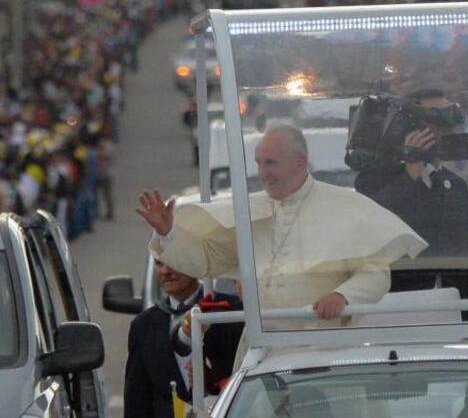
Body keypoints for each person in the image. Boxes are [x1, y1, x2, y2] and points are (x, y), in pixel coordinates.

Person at [137, 125, 427, 325]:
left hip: (326, 344)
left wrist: (342, 296)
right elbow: (207, 260)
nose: (262, 173)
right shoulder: (252, 210)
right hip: (266, 347)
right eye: (259, 163)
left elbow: (375, 273)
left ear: (299, 162)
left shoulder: (346, 207)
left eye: (270, 163)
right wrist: (168, 233)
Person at [353, 89, 468, 321]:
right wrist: (410, 172)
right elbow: (376, 222)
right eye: (436, 120)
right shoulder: (374, 179)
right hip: (401, 309)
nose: (446, 129)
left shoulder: (455, 185)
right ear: (412, 128)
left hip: (456, 308)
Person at [123, 258, 242, 418]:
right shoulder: (144, 326)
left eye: (173, 261)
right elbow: (137, 406)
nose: (165, 271)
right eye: (159, 263)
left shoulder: (230, 311)